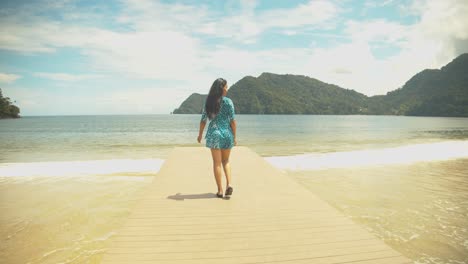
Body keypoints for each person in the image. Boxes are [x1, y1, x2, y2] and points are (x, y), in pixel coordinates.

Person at [197, 78, 237, 199]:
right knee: (226, 161)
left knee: (217, 163)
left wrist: (199, 135)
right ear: (222, 88)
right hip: (227, 134)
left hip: (214, 134)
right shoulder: (229, 102)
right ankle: (229, 184)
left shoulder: (209, 102)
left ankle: (220, 190)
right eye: (226, 86)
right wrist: (234, 137)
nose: (227, 88)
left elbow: (203, 120)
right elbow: (233, 122)